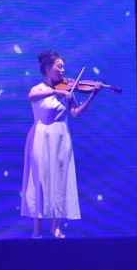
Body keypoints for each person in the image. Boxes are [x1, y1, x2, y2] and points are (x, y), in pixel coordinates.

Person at [20, 51, 100, 238]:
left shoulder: (68, 90)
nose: (63, 70)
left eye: (63, 67)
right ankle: (37, 228)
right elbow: (31, 96)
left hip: (61, 137)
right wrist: (57, 92)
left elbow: (75, 113)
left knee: (59, 179)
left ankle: (55, 226)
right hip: (40, 136)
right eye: (59, 66)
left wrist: (92, 96)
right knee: (40, 180)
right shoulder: (39, 89)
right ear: (48, 69)